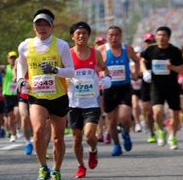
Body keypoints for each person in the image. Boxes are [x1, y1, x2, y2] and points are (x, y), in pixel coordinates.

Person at [16, 9, 75, 180]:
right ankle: (43, 167)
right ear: (34, 26)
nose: (42, 28)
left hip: (58, 97)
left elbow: (71, 72)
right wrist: (20, 78)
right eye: (39, 24)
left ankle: (56, 170)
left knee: (58, 138)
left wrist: (55, 70)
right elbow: (21, 63)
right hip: (37, 96)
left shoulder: (61, 45)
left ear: (52, 26)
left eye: (46, 24)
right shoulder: (25, 45)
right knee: (39, 130)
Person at [67, 22, 111, 178]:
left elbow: (104, 68)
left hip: (92, 102)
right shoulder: (68, 54)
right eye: (78, 33)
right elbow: (61, 72)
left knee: (89, 135)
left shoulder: (95, 54)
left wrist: (107, 78)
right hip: (73, 103)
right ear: (72, 36)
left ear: (88, 36)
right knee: (77, 138)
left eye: (84, 33)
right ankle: (80, 166)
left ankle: (93, 151)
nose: (81, 36)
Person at [140, 26, 183, 149]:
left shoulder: (174, 51)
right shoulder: (151, 49)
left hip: (172, 87)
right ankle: (161, 130)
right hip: (156, 86)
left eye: (164, 35)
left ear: (169, 38)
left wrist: (172, 68)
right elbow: (142, 60)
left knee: (175, 114)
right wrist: (145, 72)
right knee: (157, 111)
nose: (161, 37)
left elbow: (182, 68)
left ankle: (173, 136)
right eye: (159, 35)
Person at [101, 26, 140, 156]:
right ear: (107, 36)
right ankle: (117, 145)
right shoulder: (101, 50)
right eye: (111, 35)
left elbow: (136, 60)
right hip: (109, 89)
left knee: (124, 116)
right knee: (111, 121)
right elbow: (94, 65)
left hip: (124, 87)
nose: (113, 38)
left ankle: (126, 133)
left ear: (120, 36)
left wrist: (136, 73)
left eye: (116, 35)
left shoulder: (127, 49)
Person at [141, 32, 157, 143]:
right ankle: (152, 132)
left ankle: (160, 127)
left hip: (158, 84)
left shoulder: (159, 53)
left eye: (151, 41)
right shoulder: (142, 54)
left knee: (157, 110)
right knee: (148, 112)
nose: (149, 43)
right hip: (146, 84)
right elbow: (140, 65)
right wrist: (144, 72)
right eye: (147, 41)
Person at [1, 51, 19, 142]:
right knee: (10, 117)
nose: (13, 59)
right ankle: (13, 133)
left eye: (14, 58)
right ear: (8, 59)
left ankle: (19, 128)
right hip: (7, 95)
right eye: (11, 58)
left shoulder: (20, 69)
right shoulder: (5, 69)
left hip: (17, 95)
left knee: (17, 112)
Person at [130, 47, 143, 133]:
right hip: (134, 88)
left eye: (138, 53)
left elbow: (141, 72)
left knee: (144, 107)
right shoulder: (130, 64)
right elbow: (132, 72)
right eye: (135, 53)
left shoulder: (143, 63)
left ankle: (144, 122)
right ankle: (137, 123)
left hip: (143, 88)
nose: (137, 54)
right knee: (135, 106)